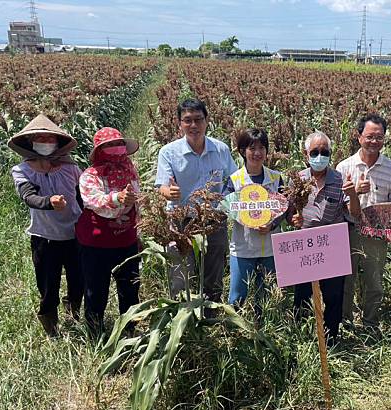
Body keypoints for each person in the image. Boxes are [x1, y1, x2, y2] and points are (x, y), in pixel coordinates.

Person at [155, 98, 238, 303]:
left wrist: (224, 200)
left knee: (214, 269)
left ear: (207, 121)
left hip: (213, 219)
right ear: (179, 123)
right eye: (187, 120)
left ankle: (211, 310)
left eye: (198, 120)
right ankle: (182, 312)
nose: (193, 125)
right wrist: (169, 192)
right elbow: (162, 187)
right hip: (181, 220)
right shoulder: (169, 152)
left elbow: (234, 179)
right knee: (180, 272)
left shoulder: (220, 149)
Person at [8, 114, 83, 337]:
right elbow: (28, 196)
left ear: (57, 142)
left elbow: (81, 199)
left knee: (77, 281)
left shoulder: (71, 168)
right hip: (45, 237)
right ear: (31, 142)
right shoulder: (22, 170)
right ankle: (52, 328)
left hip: (74, 234)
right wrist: (48, 202)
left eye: (49, 138)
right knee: (48, 286)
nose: (45, 141)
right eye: (40, 137)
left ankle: (74, 313)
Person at [291, 131, 361, 342]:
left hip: (332, 246)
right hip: (305, 245)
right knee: (302, 295)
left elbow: (355, 214)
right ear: (306, 154)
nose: (319, 156)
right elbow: (289, 212)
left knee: (333, 296)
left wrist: (352, 194)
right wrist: (293, 219)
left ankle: (331, 340)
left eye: (325, 152)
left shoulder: (340, 180)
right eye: (315, 152)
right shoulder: (298, 179)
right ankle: (301, 338)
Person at [76, 127, 141, 336]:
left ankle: (129, 331)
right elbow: (93, 201)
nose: (115, 149)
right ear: (99, 150)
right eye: (109, 146)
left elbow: (137, 202)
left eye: (118, 144)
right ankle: (95, 333)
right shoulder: (89, 175)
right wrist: (116, 198)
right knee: (96, 290)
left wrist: (140, 227)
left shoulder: (130, 170)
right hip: (96, 243)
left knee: (130, 289)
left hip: (127, 240)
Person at [336, 114, 391, 330]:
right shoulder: (344, 167)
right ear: (359, 137)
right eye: (370, 136)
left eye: (379, 137)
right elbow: (338, 206)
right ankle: (345, 323)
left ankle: (371, 324)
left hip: (377, 233)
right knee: (346, 280)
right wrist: (354, 193)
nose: (374, 141)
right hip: (349, 231)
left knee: (375, 283)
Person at [224, 128, 284, 314]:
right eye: (252, 148)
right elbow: (227, 205)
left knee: (265, 296)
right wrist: (245, 218)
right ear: (242, 151)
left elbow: (284, 206)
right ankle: (236, 333)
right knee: (238, 296)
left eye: (261, 148)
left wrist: (272, 223)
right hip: (243, 247)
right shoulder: (235, 180)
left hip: (270, 248)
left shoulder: (275, 177)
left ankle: (263, 333)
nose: (257, 153)